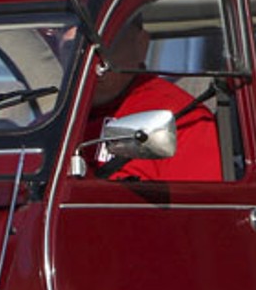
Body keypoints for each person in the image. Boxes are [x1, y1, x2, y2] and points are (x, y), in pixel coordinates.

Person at [87, 19, 220, 181]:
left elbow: (200, 200)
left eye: (104, 46)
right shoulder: (54, 116)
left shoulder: (182, 119)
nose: (90, 60)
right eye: (72, 47)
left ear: (141, 44)